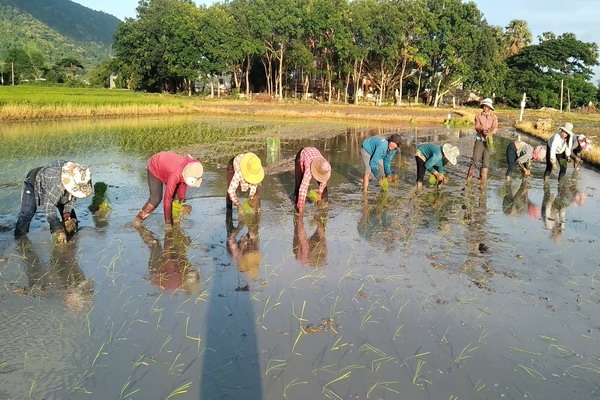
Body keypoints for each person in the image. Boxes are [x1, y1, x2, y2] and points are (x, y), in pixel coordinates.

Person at [14, 161, 93, 243]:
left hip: (52, 182)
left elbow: (71, 199)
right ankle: (19, 239)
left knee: (72, 221)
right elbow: (49, 211)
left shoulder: (80, 176)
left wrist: (67, 215)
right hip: (34, 181)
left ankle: (69, 243)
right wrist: (59, 231)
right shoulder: (56, 186)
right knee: (27, 212)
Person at [134, 151, 203, 229]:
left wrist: (183, 202)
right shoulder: (175, 175)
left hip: (170, 167)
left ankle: (175, 218)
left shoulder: (194, 168)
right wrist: (168, 222)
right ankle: (138, 220)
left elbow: (183, 184)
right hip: (156, 165)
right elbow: (167, 199)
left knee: (177, 198)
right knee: (155, 199)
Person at [136, 225, 201, 294]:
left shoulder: (175, 278)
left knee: (155, 243)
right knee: (179, 246)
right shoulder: (185, 272)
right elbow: (181, 257)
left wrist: (168, 233)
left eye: (189, 271)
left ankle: (138, 227)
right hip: (170, 268)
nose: (190, 267)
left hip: (157, 270)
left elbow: (167, 254)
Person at [293, 147, 331, 214]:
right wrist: (300, 211)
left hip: (314, 152)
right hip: (302, 155)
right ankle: (296, 204)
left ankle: (323, 207)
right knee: (299, 185)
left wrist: (319, 193)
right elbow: (303, 190)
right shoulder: (309, 171)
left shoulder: (325, 166)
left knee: (324, 190)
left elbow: (324, 182)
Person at [467, 98, 498, 182]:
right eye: (484, 106)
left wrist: (490, 132)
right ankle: (469, 179)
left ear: (489, 108)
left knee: (486, 162)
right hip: (479, 139)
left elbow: (495, 128)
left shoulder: (494, 117)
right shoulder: (478, 116)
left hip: (489, 141)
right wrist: (483, 130)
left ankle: (483, 181)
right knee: (475, 159)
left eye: (486, 106)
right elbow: (477, 126)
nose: (485, 108)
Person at [226, 152, 265, 217]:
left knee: (256, 193)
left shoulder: (256, 168)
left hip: (248, 163)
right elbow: (231, 190)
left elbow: (253, 187)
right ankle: (229, 213)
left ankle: (258, 209)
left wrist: (251, 198)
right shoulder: (239, 173)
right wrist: (238, 205)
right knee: (229, 193)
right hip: (233, 164)